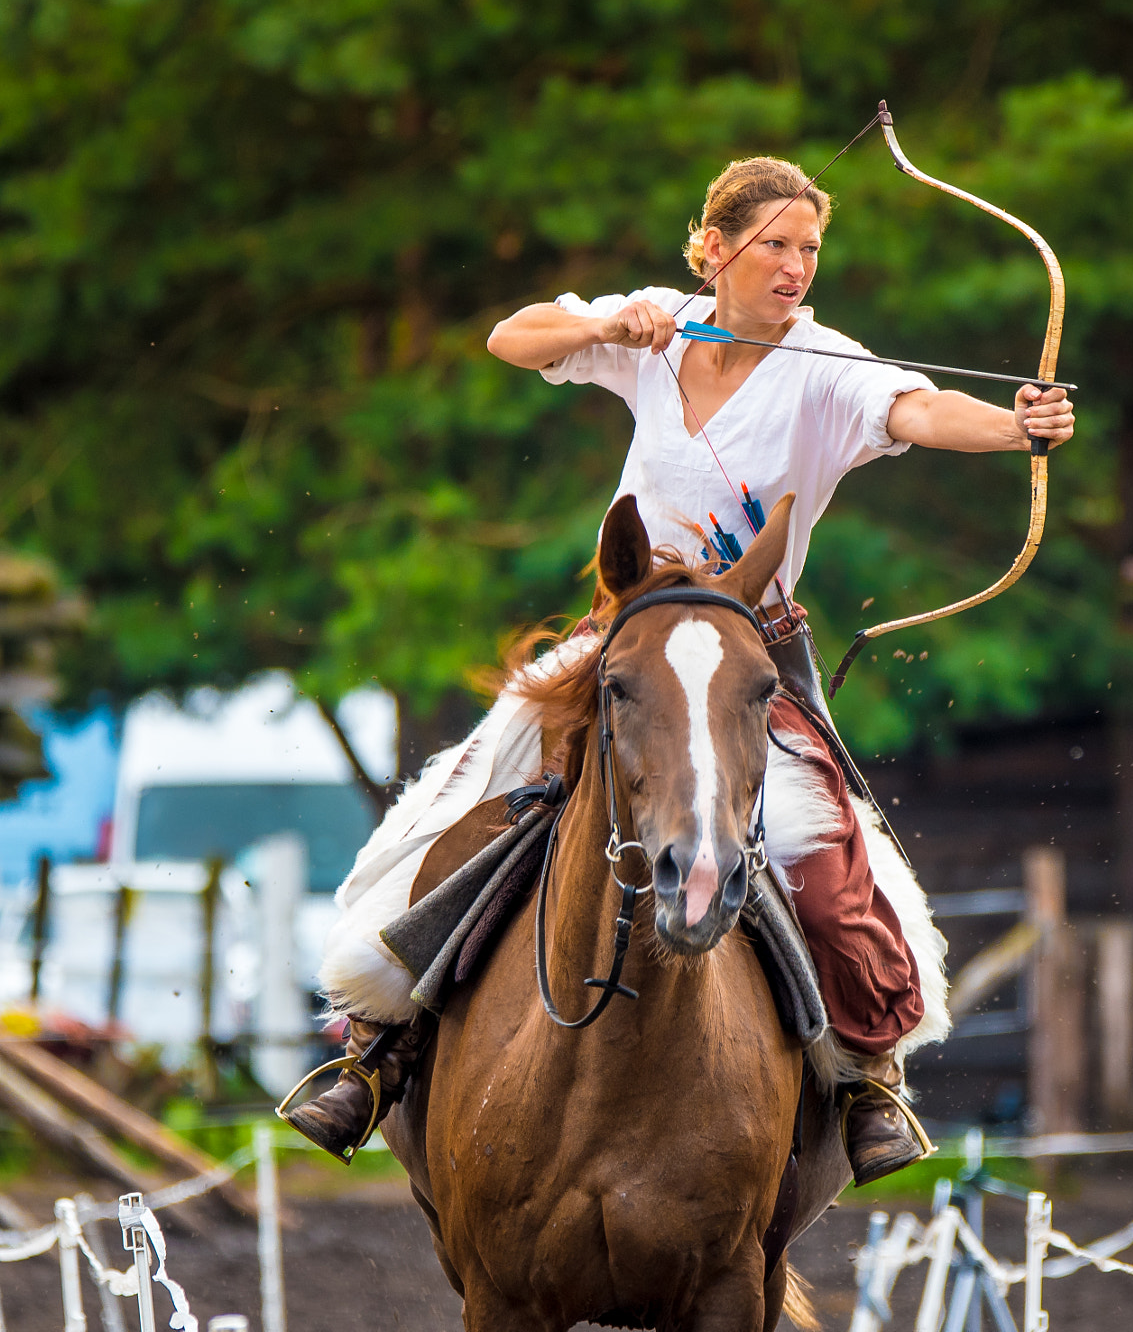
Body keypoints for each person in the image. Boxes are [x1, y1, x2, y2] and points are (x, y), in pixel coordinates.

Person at [279, 156, 1074, 1185]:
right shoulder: (656, 323)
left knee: (827, 864)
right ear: (711, 249)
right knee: (453, 807)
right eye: (771, 245)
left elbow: (920, 412)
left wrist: (1016, 426)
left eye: (808, 249)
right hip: (626, 636)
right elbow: (508, 340)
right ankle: (377, 1054)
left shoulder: (828, 365)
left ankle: (867, 1078)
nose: (793, 267)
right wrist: (605, 327)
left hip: (750, 654)